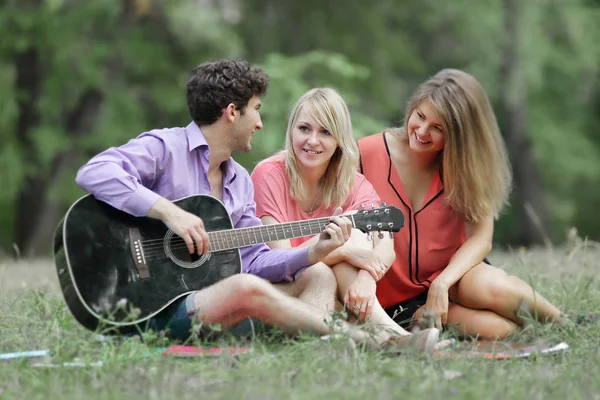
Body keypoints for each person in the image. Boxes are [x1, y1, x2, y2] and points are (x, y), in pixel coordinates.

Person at [74, 59, 376, 345]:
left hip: (209, 306)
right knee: (243, 287)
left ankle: (319, 349)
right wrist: (168, 212)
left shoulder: (238, 181)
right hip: (149, 309)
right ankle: (373, 342)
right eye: (256, 109)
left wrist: (313, 251)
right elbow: (95, 171)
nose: (259, 123)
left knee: (318, 274)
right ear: (233, 112)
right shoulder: (166, 148)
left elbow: (254, 261)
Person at [357, 69, 563, 339]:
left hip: (455, 276)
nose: (421, 131)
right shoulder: (367, 152)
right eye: (420, 116)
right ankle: (527, 330)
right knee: (500, 331)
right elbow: (310, 162)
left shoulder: (466, 166)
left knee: (494, 289)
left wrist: (442, 283)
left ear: (459, 136)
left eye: (437, 128)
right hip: (400, 301)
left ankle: (566, 324)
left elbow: (481, 237)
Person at [250, 87, 440, 349]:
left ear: (339, 139)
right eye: (304, 128)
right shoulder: (268, 174)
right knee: (336, 249)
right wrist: (345, 251)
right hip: (280, 290)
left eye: (325, 132)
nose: (312, 141)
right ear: (291, 130)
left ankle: (386, 338)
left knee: (354, 230)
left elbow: (385, 245)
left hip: (333, 296)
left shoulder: (353, 182)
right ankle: (395, 337)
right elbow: (280, 259)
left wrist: (365, 278)